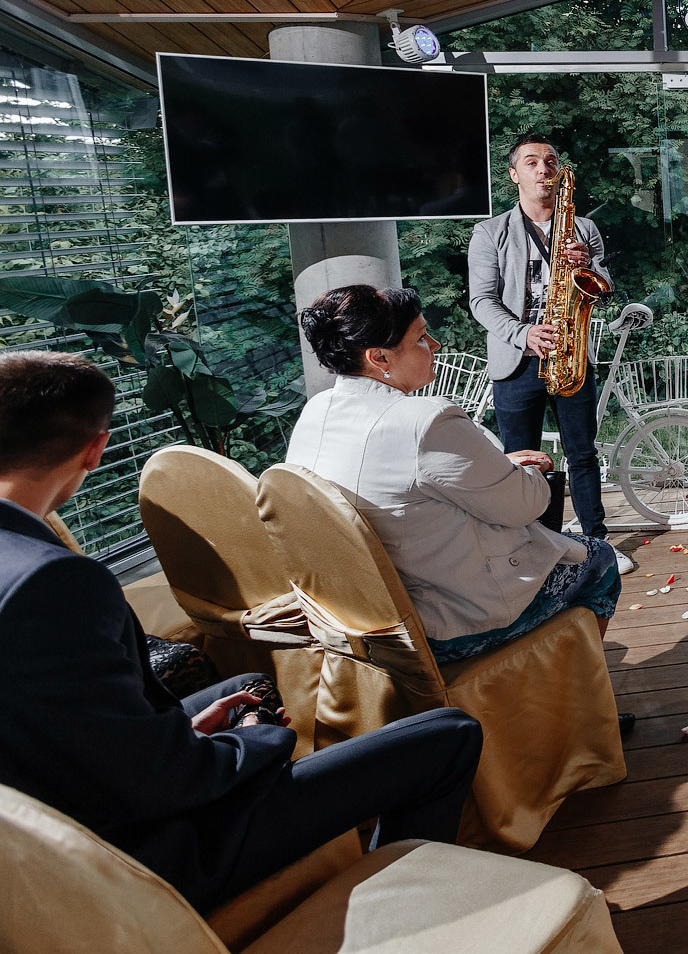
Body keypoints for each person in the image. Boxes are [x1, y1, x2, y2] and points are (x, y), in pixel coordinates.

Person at [0, 350, 482, 912]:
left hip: (63, 804)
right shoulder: (51, 582)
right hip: (142, 857)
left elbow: (63, 727)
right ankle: (405, 916)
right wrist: (255, 739)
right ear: (95, 449)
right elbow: (155, 783)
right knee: (448, 734)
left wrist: (182, 730)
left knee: (245, 685)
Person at [286, 285, 625, 668]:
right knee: (599, 559)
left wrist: (490, 465)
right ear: (379, 357)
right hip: (445, 624)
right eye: (420, 338)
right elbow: (525, 505)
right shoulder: (426, 421)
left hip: (359, 619)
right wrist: (524, 470)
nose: (436, 344)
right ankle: (578, 699)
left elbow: (400, 483)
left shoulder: (316, 411)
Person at [468, 134, 631, 575]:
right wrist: (524, 334)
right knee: (520, 461)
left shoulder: (585, 229)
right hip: (517, 359)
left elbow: (604, 287)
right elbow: (481, 301)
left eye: (551, 162)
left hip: (572, 354)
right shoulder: (490, 232)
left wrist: (588, 266)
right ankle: (529, 551)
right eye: (532, 162)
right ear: (514, 173)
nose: (544, 169)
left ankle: (597, 542)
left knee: (582, 454)